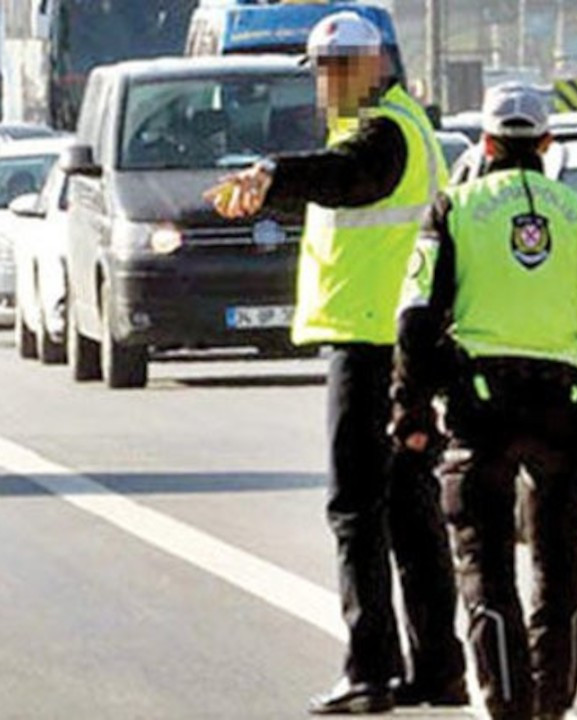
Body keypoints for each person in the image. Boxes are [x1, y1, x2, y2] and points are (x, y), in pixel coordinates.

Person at [206, 11, 467, 714]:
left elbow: (352, 178)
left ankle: (371, 671)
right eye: (321, 72)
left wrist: (273, 173)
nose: (324, 86)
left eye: (333, 71)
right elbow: (348, 184)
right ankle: (439, 670)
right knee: (410, 513)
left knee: (356, 509)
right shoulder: (399, 124)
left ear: (371, 67)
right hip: (404, 343)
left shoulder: (383, 133)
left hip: (372, 342)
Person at [391, 83, 577, 720]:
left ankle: (508, 704)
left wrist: (411, 409)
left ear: (484, 143)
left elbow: (415, 318)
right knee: (560, 566)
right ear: (546, 143)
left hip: (480, 407)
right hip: (564, 407)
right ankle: (552, 704)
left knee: (484, 564)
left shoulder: (453, 207)